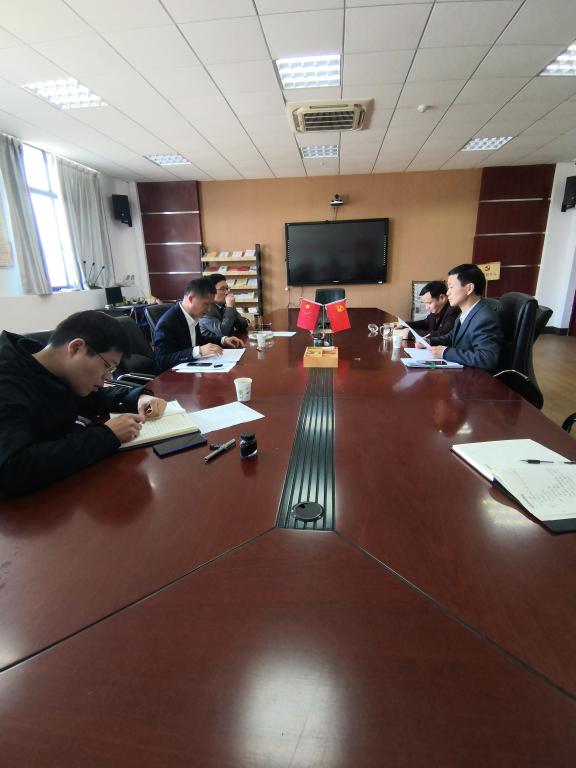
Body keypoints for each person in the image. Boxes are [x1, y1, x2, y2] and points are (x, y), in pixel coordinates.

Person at [0, 310, 167, 498]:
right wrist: (107, 435)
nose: (107, 378)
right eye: (107, 366)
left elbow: (96, 397)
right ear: (76, 348)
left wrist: (139, 398)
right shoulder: (7, 381)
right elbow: (11, 471)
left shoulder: (54, 368)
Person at [153, 277, 245, 371]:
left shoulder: (192, 314)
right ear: (191, 299)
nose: (209, 309)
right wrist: (198, 351)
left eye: (211, 304)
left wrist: (223, 340)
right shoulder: (167, 323)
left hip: (192, 369)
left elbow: (196, 340)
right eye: (206, 304)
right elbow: (162, 359)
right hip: (174, 376)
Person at [427, 263, 502, 371]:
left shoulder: (485, 318)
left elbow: (487, 359)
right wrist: (430, 342)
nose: (447, 293)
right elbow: (452, 337)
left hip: (475, 378)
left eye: (451, 287)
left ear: (469, 288)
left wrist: (445, 352)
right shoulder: (466, 312)